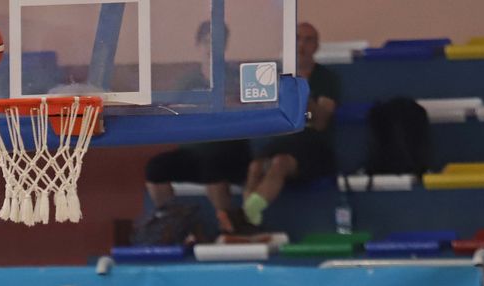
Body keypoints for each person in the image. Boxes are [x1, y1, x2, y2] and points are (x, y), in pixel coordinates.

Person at [143, 21, 253, 236]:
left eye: (218, 42)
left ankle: (230, 226)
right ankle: (175, 222)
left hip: (231, 152)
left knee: (211, 164)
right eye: (207, 41)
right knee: (155, 168)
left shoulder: (238, 77)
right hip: (193, 154)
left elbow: (248, 109)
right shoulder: (188, 81)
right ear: (198, 45)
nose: (212, 47)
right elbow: (171, 111)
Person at [239, 22, 339, 228]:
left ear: (316, 46)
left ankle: (247, 213)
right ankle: (249, 219)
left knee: (280, 163)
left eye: (308, 40)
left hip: (313, 144)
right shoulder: (276, 75)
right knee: (255, 166)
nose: (301, 45)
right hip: (285, 138)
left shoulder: (326, 78)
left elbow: (320, 122)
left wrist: (302, 96)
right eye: (297, 39)